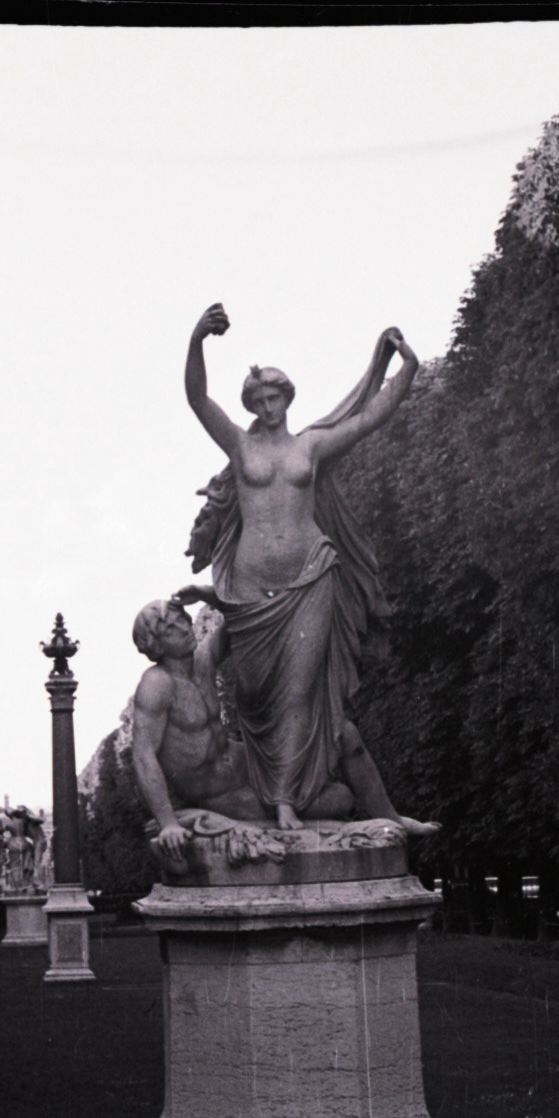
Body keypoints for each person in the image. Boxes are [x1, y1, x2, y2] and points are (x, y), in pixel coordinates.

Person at [184, 302, 437, 835]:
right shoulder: (239, 445)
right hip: (252, 594)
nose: (268, 406)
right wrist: (196, 340)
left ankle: (283, 801)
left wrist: (408, 367)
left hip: (311, 577)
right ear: (251, 405)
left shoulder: (312, 446)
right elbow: (197, 399)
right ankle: (282, 791)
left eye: (275, 397)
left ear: (288, 398)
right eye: (259, 400)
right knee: (254, 696)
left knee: (300, 691)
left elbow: (369, 418)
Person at [131, 597, 354, 868]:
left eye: (182, 619)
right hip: (221, 796)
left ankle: (389, 816)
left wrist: (208, 595)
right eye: (170, 629)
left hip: (250, 766)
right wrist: (167, 822)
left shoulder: (203, 660)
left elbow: (240, 616)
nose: (184, 628)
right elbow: (143, 756)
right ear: (155, 645)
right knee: (339, 799)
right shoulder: (156, 685)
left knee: (341, 736)